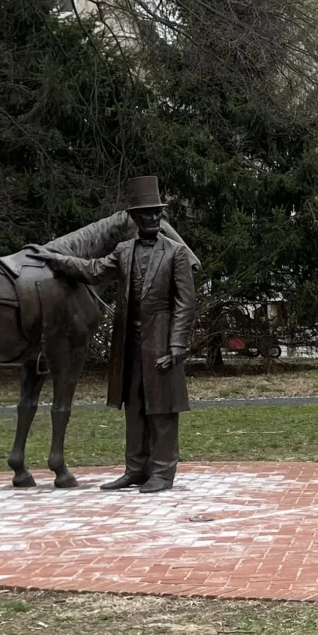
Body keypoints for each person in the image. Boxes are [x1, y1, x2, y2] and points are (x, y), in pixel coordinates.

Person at [32, 175, 194, 494]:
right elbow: (92, 271)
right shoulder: (123, 250)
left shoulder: (176, 253)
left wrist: (177, 345)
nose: (152, 219)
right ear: (133, 218)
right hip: (129, 344)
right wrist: (55, 258)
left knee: (162, 409)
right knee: (134, 407)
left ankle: (162, 472)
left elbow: (185, 304)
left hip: (161, 340)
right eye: (145, 214)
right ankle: (135, 468)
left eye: (156, 213)